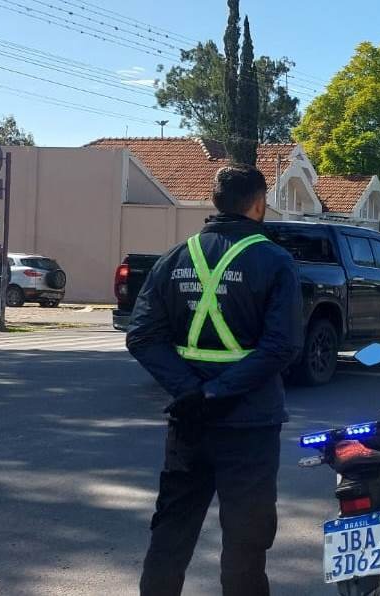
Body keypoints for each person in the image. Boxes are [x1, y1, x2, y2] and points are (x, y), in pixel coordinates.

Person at [128, 164, 303, 596]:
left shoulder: (174, 258)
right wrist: (217, 391)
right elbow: (281, 347)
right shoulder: (274, 261)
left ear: (214, 201)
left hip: (190, 422)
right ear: (259, 203)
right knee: (245, 542)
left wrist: (189, 390)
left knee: (171, 533)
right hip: (249, 424)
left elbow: (143, 335)